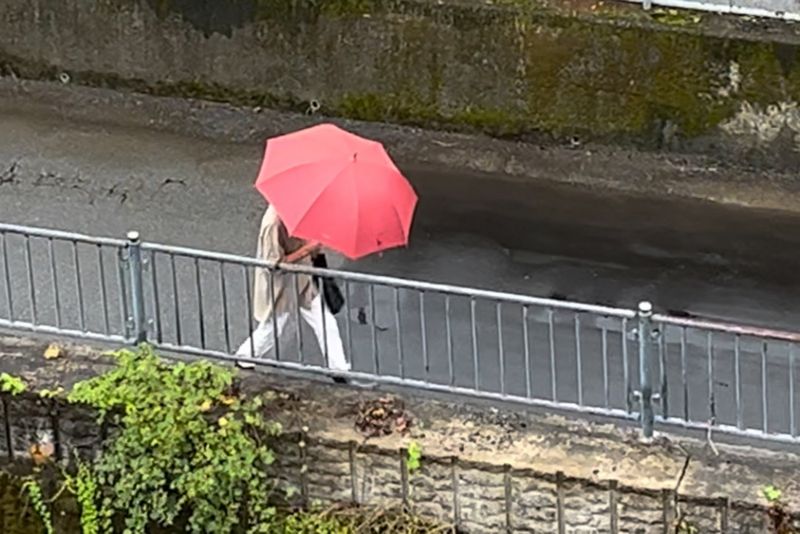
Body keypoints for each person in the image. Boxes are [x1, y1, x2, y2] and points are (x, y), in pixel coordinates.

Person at [236, 205, 349, 372]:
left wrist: (313, 246)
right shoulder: (272, 225)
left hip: (303, 279)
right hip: (284, 285)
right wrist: (307, 249)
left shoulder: (296, 212)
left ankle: (339, 369)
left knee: (324, 321)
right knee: (273, 326)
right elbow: (273, 264)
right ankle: (244, 357)